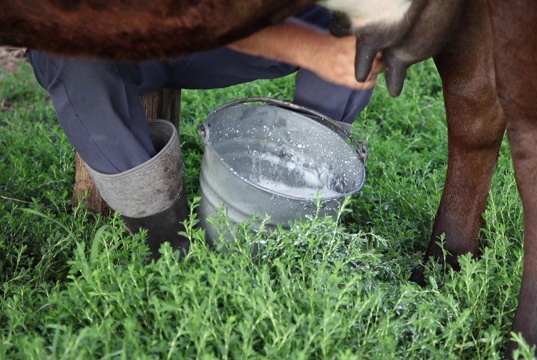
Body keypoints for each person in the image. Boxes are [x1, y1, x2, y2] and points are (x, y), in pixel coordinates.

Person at [27, 6, 382, 259]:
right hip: (110, 46)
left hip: (211, 40)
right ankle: (167, 245)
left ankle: (296, 194)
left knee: (359, 19)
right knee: (72, 55)